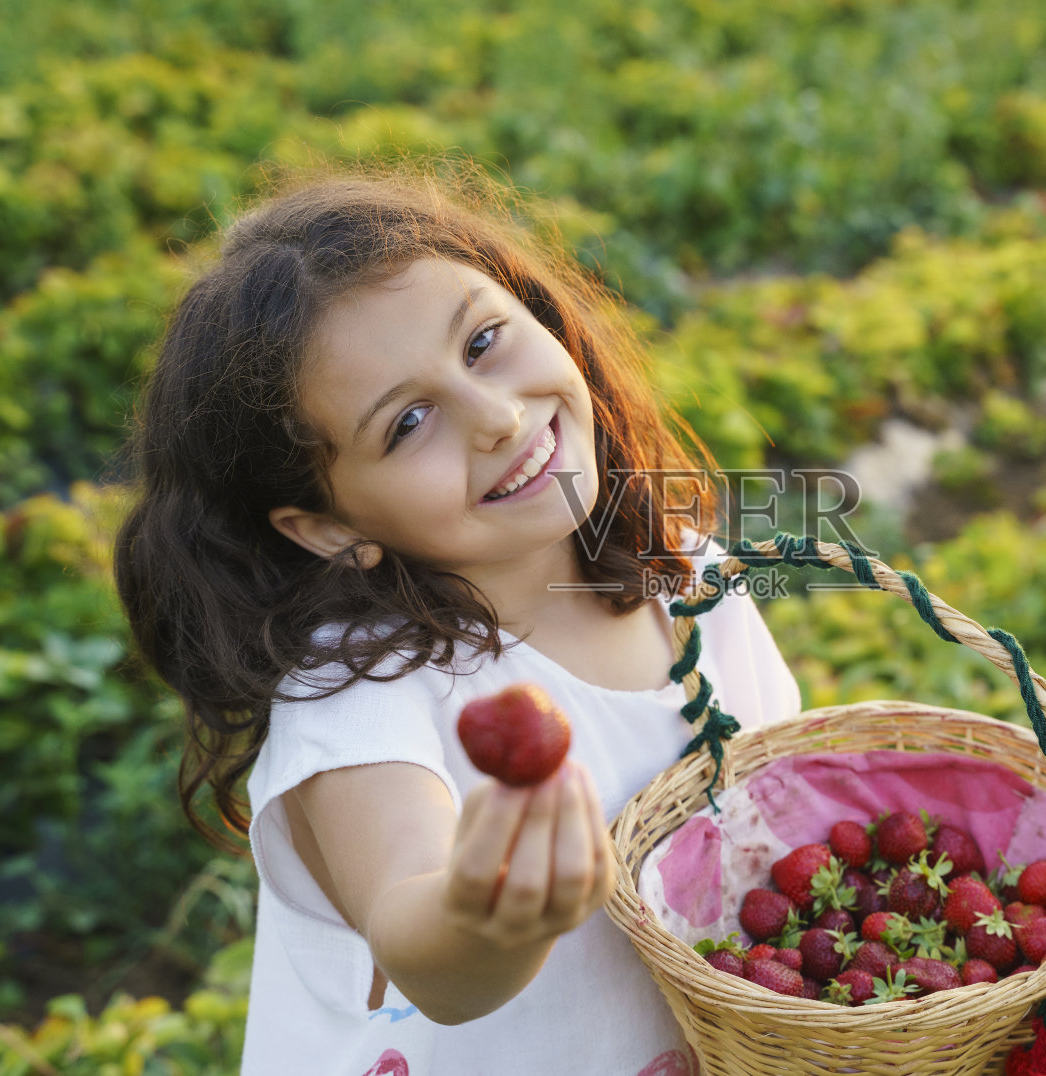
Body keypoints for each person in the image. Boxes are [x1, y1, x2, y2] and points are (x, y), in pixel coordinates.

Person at [113, 167, 802, 1075]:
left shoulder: (689, 577)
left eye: (482, 342)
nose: (497, 417)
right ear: (329, 527)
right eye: (407, 424)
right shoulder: (360, 692)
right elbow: (415, 929)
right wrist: (482, 916)